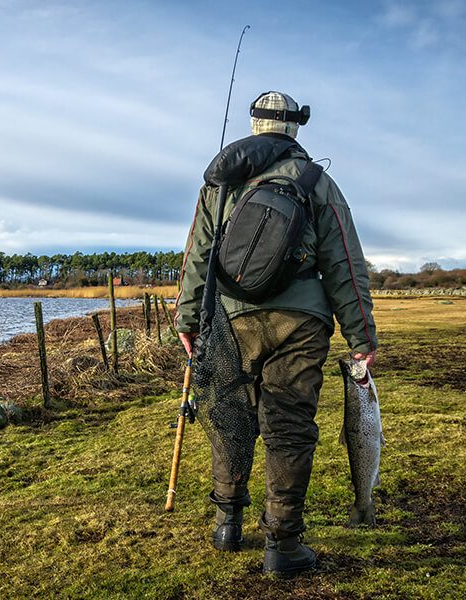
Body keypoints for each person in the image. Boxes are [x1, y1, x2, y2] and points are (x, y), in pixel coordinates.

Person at [174, 91, 378, 575]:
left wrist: (187, 319)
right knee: (288, 428)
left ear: (254, 124)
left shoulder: (219, 181)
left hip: (227, 319)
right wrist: (361, 336)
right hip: (301, 322)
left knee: (229, 418)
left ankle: (228, 523)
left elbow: (198, 255)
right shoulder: (316, 182)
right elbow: (344, 263)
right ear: (294, 130)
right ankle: (283, 547)